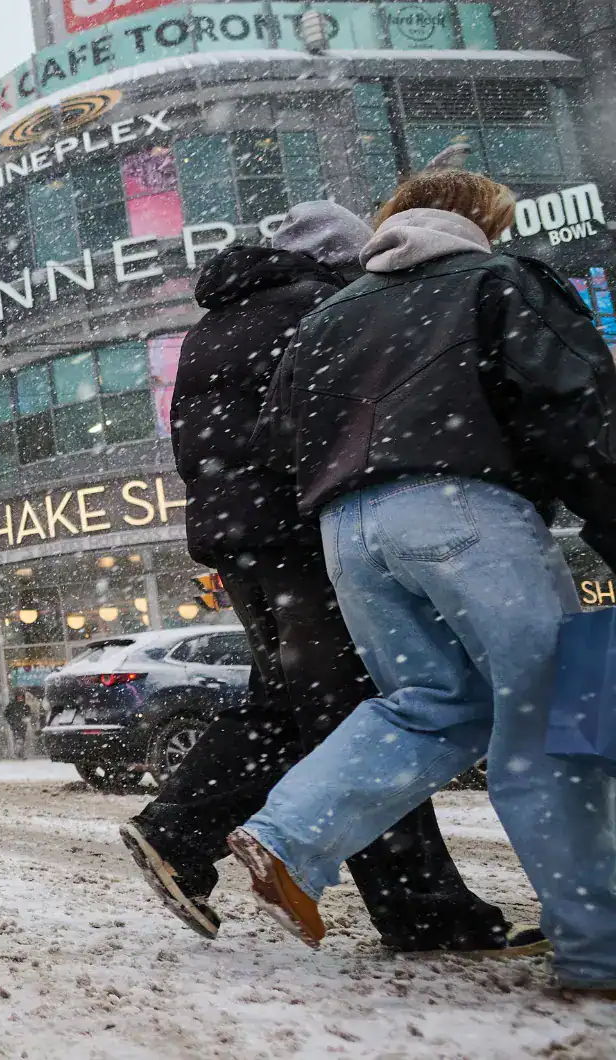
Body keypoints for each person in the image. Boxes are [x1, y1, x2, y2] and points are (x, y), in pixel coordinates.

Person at [230, 170, 616, 995]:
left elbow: (276, 439)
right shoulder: (499, 280)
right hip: (469, 509)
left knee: (433, 705)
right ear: (483, 222)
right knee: (551, 716)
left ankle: (290, 834)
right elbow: (576, 411)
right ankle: (599, 947)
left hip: (349, 530)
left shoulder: (329, 314)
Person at [120, 199, 520, 954]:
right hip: (301, 531)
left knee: (287, 699)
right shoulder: (320, 308)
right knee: (360, 707)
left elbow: (206, 438)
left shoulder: (215, 324)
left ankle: (178, 832)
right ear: (339, 258)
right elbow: (326, 424)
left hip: (236, 539)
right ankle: (422, 909)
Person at [1, 690, 32, 759]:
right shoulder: (12, 705)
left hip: (22, 725)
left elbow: (28, 714)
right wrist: (10, 721)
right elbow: (6, 714)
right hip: (14, 725)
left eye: (21, 696)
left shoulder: (25, 706)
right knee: (17, 739)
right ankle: (18, 753)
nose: (20, 697)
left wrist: (26, 719)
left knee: (22, 739)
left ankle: (21, 753)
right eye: (18, 696)